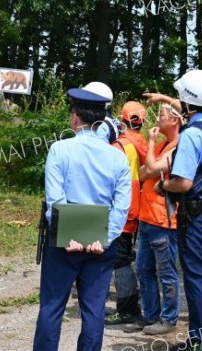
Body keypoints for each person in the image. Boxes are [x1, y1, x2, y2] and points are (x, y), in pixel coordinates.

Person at [33, 87, 131, 351]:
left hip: (64, 243)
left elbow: (56, 199)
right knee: (94, 311)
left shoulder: (59, 149)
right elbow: (122, 206)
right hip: (100, 242)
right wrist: (106, 239)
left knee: (52, 307)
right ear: (101, 121)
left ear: (75, 118)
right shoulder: (118, 157)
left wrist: (67, 234)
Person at [158, 69, 202, 351]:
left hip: (197, 216)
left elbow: (184, 182)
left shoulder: (190, 136)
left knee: (196, 278)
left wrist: (164, 187)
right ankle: (200, 338)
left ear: (188, 103)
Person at [124, 98, 184, 335]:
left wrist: (149, 144)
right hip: (147, 217)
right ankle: (150, 316)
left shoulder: (176, 146)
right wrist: (151, 161)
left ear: (175, 120)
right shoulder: (162, 145)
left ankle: (168, 318)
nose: (157, 118)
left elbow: (151, 168)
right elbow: (144, 170)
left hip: (164, 219)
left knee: (166, 272)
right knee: (144, 269)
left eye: (161, 114)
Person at [105, 101, 148, 325]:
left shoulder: (120, 145)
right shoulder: (145, 143)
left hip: (121, 210)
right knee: (127, 257)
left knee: (119, 260)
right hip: (138, 208)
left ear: (121, 120)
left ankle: (127, 309)